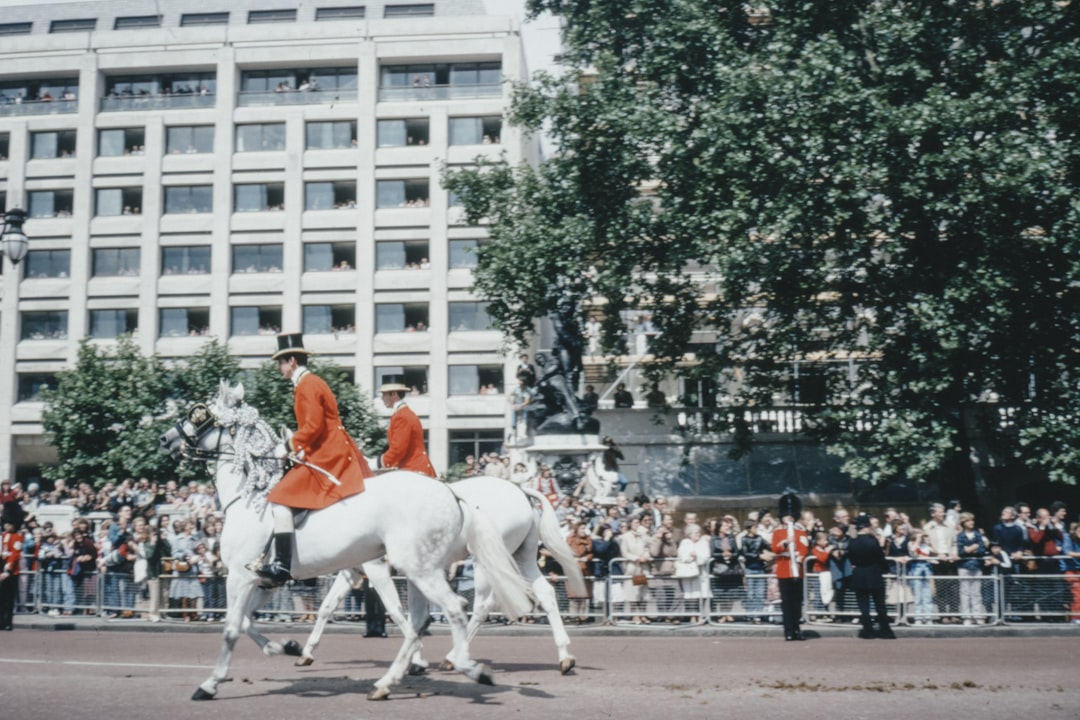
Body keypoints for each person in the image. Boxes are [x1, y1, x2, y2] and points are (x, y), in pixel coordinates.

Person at [258, 333, 373, 586]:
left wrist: (288, 446)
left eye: (281, 363)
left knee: (279, 501)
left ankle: (281, 566)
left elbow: (312, 427)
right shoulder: (311, 383)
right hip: (325, 449)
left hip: (327, 453)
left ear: (292, 361)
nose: (279, 368)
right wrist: (298, 451)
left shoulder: (306, 385)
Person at [847, 513, 895, 639]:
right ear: (867, 527)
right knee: (880, 605)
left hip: (859, 574)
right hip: (874, 574)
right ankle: (885, 630)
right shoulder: (872, 541)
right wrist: (885, 568)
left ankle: (868, 630)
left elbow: (852, 559)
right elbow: (880, 558)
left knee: (864, 606)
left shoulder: (852, 542)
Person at [378, 374, 436, 477]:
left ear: (394, 394)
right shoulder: (403, 414)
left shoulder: (402, 416)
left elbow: (398, 450)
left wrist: (378, 462)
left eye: (384, 394)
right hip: (411, 469)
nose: (382, 398)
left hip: (414, 470)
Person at [772, 492, 809, 641]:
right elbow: (775, 548)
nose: (789, 518)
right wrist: (785, 542)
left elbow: (804, 546)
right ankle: (788, 631)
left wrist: (801, 556)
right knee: (786, 602)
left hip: (797, 569)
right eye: (787, 515)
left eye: (791, 515)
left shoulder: (800, 531)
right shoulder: (778, 532)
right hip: (784, 568)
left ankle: (797, 629)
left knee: (797, 602)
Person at [1, 501, 25, 630]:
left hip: (11, 571)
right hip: (1, 569)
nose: (6, 526)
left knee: (8, 599)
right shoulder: (2, 536)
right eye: (5, 523)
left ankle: (8, 622)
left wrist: (8, 570)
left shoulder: (18, 537)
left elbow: (15, 554)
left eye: (9, 524)